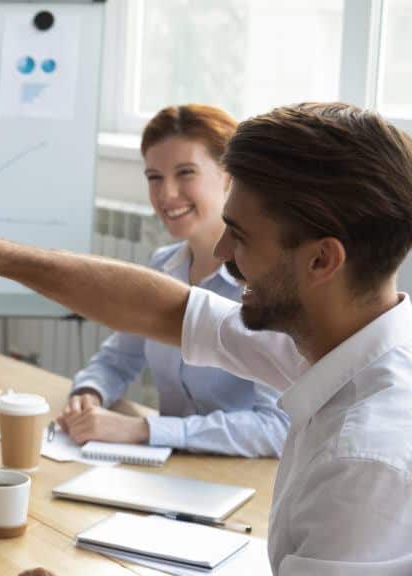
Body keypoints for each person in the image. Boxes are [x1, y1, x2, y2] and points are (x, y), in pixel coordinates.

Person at [0, 103, 412, 574]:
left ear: (322, 261)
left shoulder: (363, 459)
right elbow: (166, 310)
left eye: (241, 235)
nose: (223, 250)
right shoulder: (341, 340)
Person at [59, 105, 287, 458]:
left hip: (240, 479)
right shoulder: (162, 266)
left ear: (229, 176)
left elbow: (276, 428)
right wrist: (89, 393)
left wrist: (142, 428)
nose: (166, 194)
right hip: (169, 472)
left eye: (185, 173)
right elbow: (119, 358)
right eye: (154, 177)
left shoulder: (265, 285)